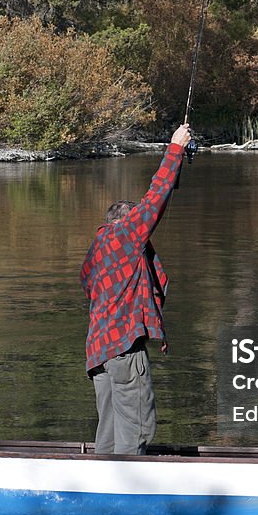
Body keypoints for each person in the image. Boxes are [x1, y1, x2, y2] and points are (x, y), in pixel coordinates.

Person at [80, 123, 192, 455]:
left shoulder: (97, 247)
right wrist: (176, 148)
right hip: (125, 349)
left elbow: (88, 284)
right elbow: (156, 196)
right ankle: (130, 490)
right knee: (137, 429)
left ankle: (102, 490)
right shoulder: (127, 234)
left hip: (98, 353)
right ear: (127, 221)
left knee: (110, 434)